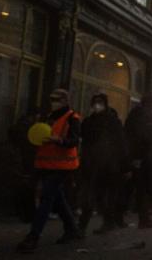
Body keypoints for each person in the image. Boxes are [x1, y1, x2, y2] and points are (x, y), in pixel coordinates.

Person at [17, 89, 83, 253]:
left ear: (65, 101)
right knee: (57, 199)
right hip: (46, 165)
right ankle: (72, 229)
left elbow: (74, 141)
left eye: (57, 99)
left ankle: (33, 236)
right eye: (51, 99)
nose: (53, 102)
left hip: (62, 166)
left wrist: (58, 140)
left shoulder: (72, 118)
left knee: (46, 198)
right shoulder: (49, 117)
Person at [78, 93, 127, 235]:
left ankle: (101, 222)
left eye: (100, 102)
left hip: (107, 165)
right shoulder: (88, 121)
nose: (97, 105)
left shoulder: (111, 121)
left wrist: (123, 165)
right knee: (90, 196)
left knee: (98, 195)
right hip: (92, 163)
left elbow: (121, 143)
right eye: (95, 102)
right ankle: (83, 225)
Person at [122, 95, 152, 228]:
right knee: (142, 188)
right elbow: (143, 137)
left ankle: (117, 217)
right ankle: (144, 219)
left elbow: (129, 134)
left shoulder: (134, 114)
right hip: (141, 157)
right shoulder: (145, 116)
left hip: (133, 155)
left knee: (130, 187)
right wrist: (140, 156)